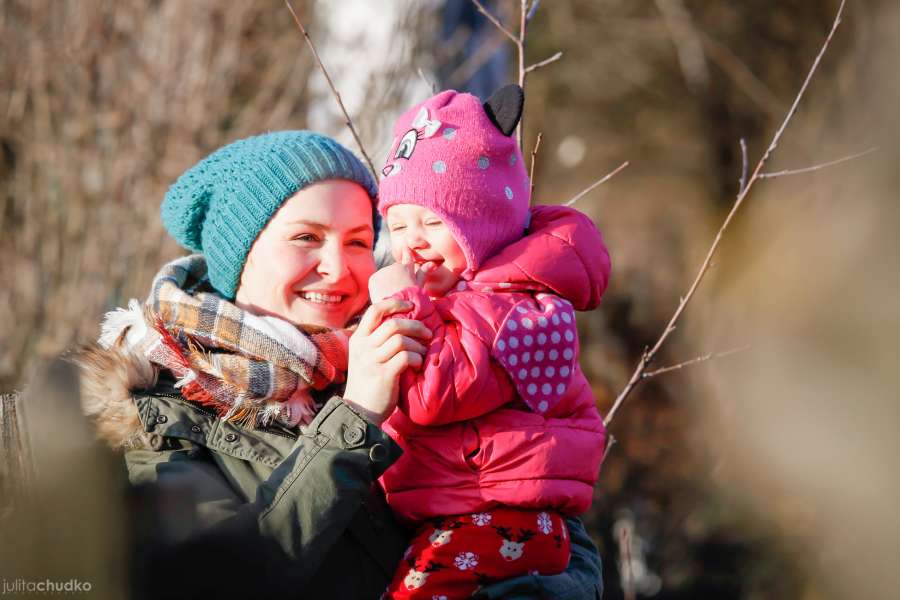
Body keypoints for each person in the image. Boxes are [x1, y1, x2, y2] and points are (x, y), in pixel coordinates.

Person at [73, 130, 605, 598]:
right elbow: (218, 580)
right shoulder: (158, 413)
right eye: (306, 237)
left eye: (358, 241)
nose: (337, 268)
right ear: (238, 257)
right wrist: (357, 415)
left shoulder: (415, 351)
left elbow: (548, 524)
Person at [369, 86, 610, 599]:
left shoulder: (518, 308)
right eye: (397, 224)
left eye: (434, 223)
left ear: (484, 226)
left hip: (505, 519)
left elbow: (432, 393)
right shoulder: (462, 297)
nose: (411, 241)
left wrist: (402, 302)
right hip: (466, 513)